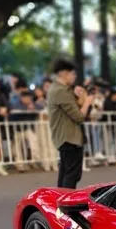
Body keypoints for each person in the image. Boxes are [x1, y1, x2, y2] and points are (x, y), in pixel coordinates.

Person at [46, 59, 93, 189]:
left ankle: (60, 199)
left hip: (66, 137)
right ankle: (66, 200)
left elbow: (73, 108)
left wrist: (79, 96)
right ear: (63, 73)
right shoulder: (61, 91)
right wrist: (87, 102)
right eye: (73, 73)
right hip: (69, 138)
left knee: (66, 173)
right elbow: (79, 116)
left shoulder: (58, 89)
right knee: (72, 175)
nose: (74, 76)